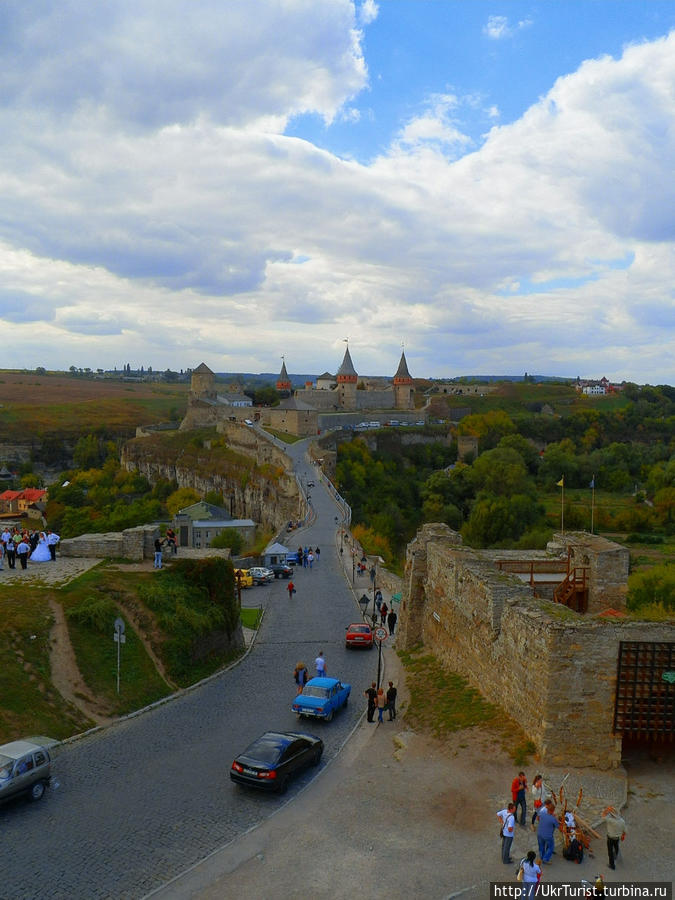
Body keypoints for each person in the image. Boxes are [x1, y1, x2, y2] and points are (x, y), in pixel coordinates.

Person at [536, 799, 559, 864]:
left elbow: (538, 818)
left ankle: (541, 856)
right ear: (553, 810)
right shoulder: (553, 818)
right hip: (548, 836)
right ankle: (545, 859)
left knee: (541, 846)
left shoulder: (542, 814)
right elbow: (558, 827)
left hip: (539, 833)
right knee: (551, 847)